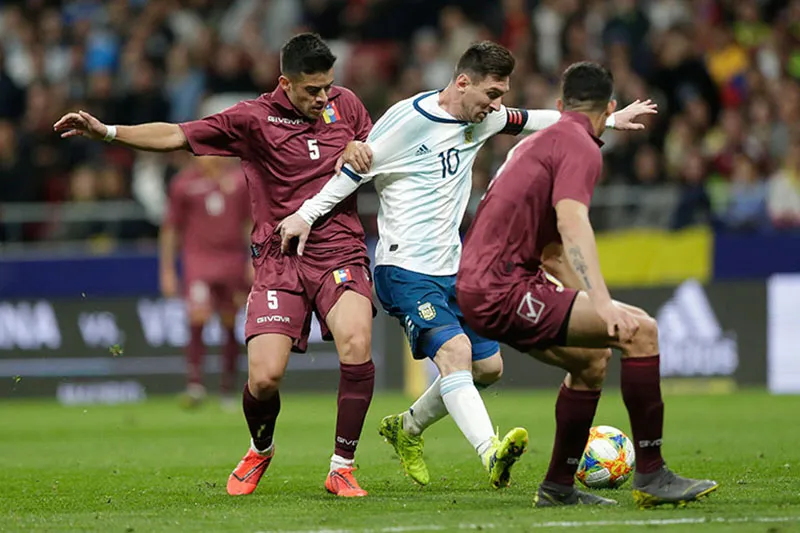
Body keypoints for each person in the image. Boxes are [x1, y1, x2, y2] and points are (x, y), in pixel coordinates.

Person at [276, 42, 656, 488]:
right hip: (403, 269)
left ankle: (408, 428)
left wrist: (606, 119)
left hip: (455, 269)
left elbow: (538, 120)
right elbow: (354, 171)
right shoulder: (409, 120)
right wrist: (305, 215)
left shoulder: (485, 118)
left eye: (501, 95)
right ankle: (490, 451)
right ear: (462, 83)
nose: (497, 106)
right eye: (492, 94)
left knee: (488, 369)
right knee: (454, 355)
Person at [54, 33, 377, 498]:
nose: (323, 97)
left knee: (356, 339)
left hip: (339, 250)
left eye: (328, 86)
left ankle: (341, 466)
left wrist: (357, 149)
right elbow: (176, 135)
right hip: (279, 259)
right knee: (264, 379)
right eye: (312, 90)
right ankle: (260, 448)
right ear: (284, 83)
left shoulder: (346, 105)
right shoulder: (251, 119)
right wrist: (107, 131)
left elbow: (375, 147)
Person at [455, 61, 719, 508]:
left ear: (560, 106)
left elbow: (555, 252)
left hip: (482, 284)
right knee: (642, 332)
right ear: (610, 107)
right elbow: (573, 221)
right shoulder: (580, 145)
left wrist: (601, 308)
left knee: (593, 360)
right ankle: (652, 476)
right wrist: (601, 301)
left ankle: (557, 487)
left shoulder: (542, 142)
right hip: (503, 286)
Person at [159, 155, 251, 409]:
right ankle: (195, 384)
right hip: (199, 260)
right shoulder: (183, 184)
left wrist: (254, 259)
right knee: (197, 317)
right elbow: (171, 228)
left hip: (232, 260)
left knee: (230, 323)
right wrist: (167, 269)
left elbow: (249, 223)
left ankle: (228, 389)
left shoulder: (239, 180)